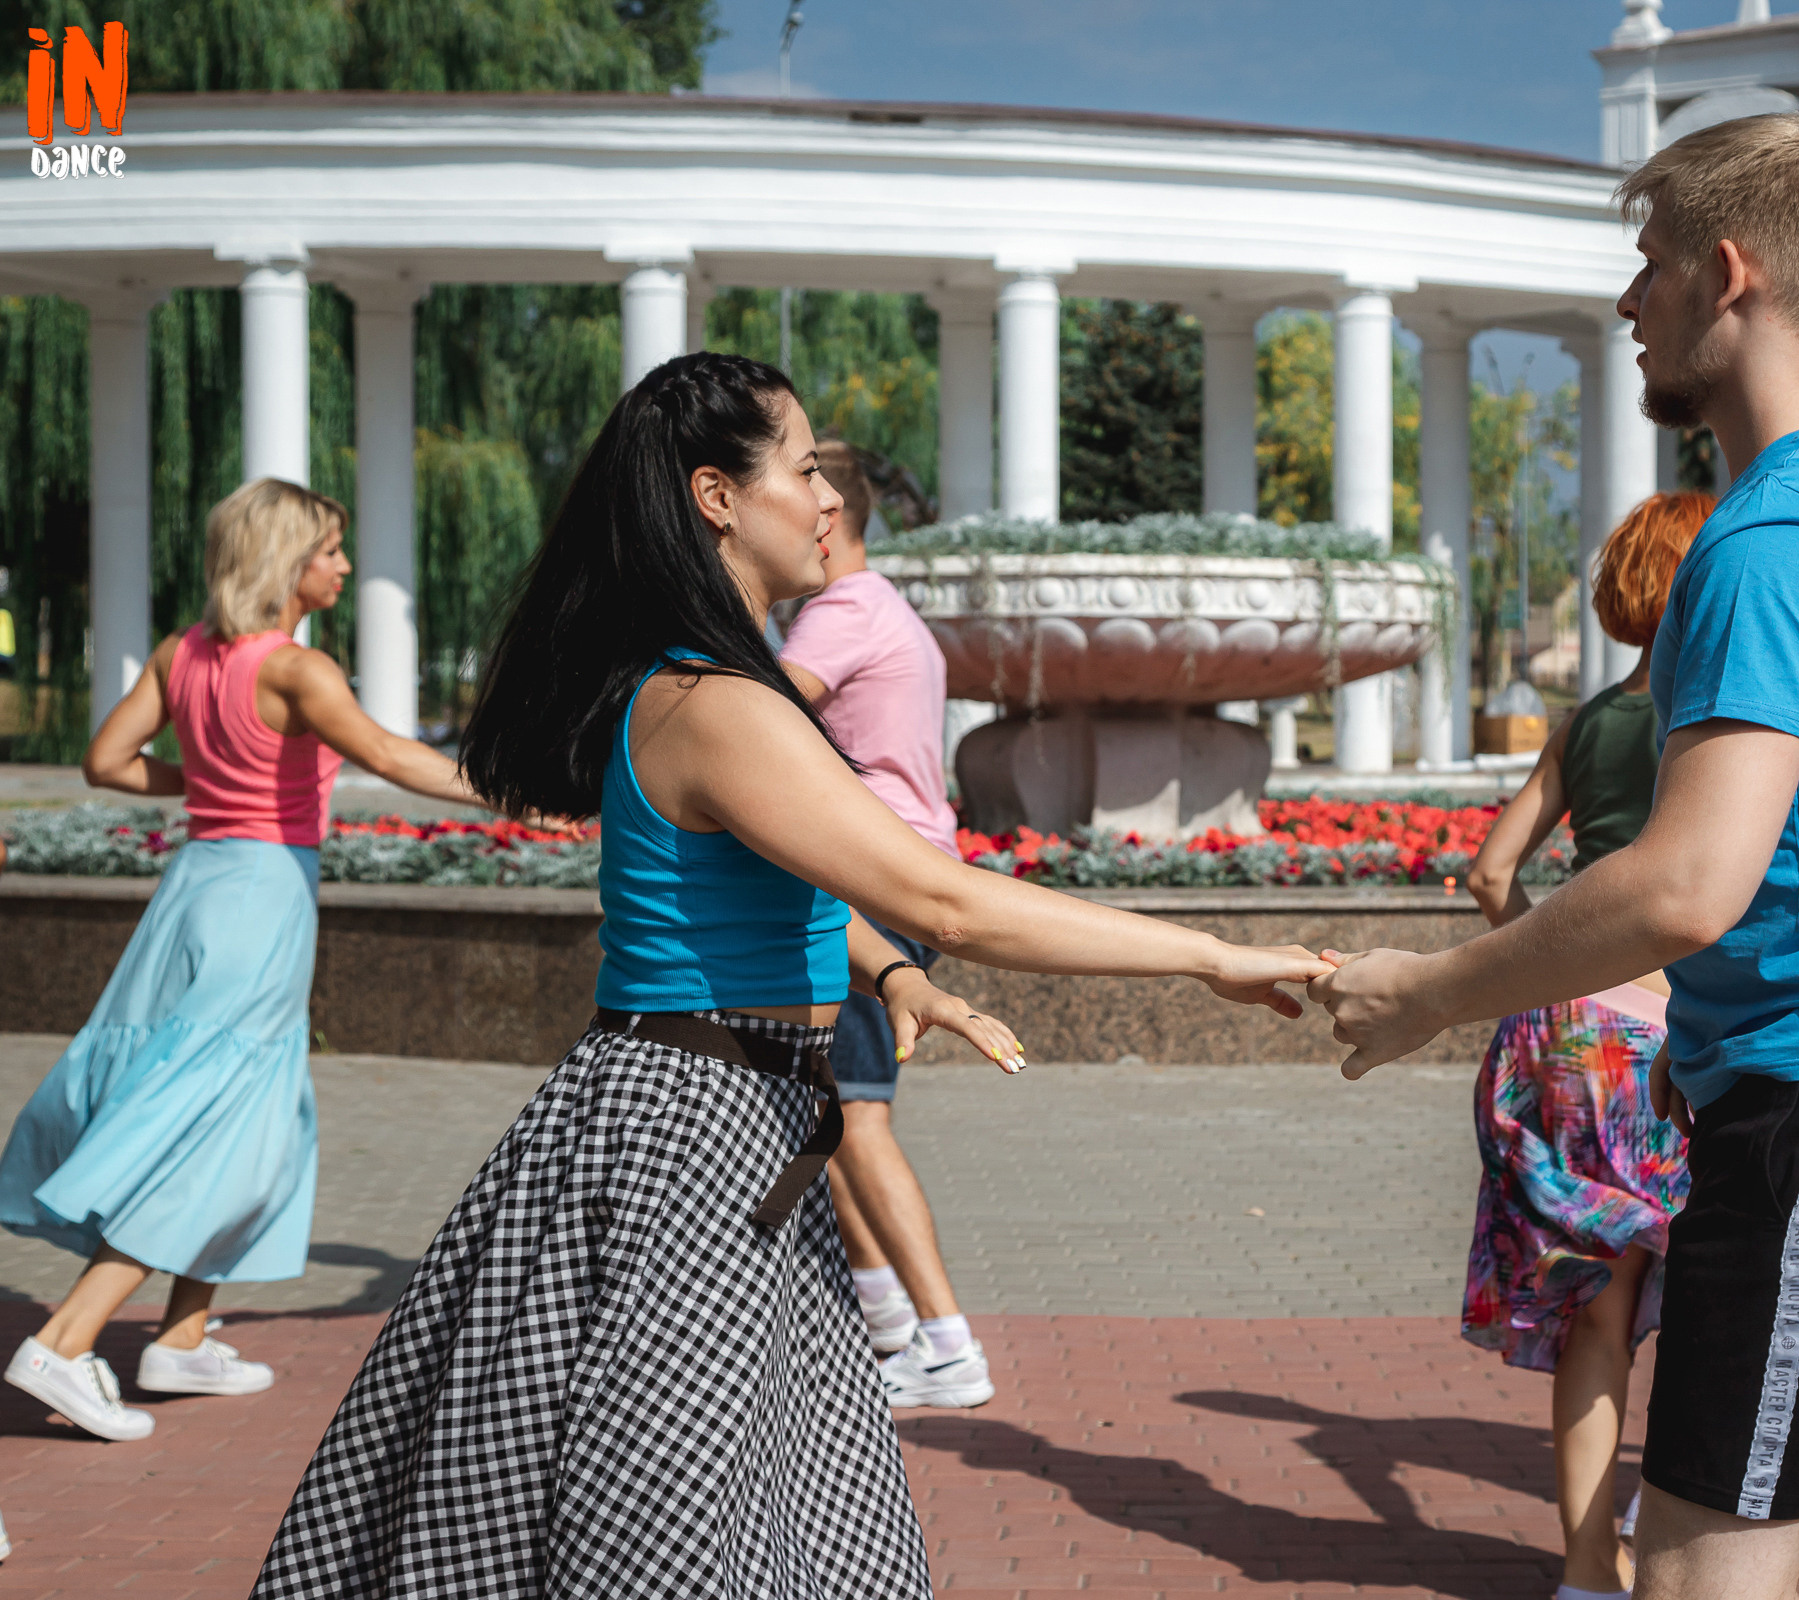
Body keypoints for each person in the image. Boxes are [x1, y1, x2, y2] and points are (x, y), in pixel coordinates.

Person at [249, 352, 1329, 1598]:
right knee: (675, 1514)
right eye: (806, 467)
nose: (829, 498)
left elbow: (792, 887)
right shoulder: (715, 701)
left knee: (752, 1490)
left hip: (714, 1114)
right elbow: (944, 898)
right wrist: (1207, 952)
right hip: (694, 1135)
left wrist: (886, 978)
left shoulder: (699, 682)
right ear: (718, 496)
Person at [1311, 111, 1799, 1600]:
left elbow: (1687, 884)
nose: (1630, 304)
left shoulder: (1768, 542)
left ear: (1730, 270)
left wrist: (1426, 991)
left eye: (1647, 269)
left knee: (1700, 1581)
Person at [0, 478, 488, 1443]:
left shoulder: (186, 651)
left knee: (238, 1107)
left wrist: (209, 782)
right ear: (287, 560)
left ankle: (182, 1338)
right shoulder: (299, 671)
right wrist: (512, 793)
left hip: (194, 889)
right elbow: (391, 754)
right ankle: (66, 1338)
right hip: (261, 897)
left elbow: (106, 762)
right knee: (207, 1120)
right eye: (331, 550)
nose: (343, 566)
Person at [1460, 489, 1709, 1600]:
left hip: (1561, 1031)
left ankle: (1583, 1571)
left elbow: (1490, 873)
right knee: (1713, 1287)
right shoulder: (1723, 723)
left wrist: (1543, 967)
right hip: (1679, 1030)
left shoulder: (1589, 720)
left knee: (1592, 1313)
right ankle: (1689, 1522)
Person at [776, 439, 990, 1408]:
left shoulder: (843, 613)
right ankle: (891, 1323)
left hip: (870, 886)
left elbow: (761, 720)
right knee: (832, 1111)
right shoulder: (877, 606)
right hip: (880, 878)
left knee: (856, 1112)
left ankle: (948, 1345)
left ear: (827, 517)